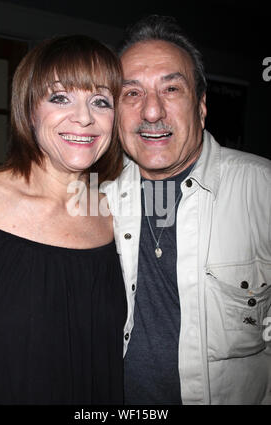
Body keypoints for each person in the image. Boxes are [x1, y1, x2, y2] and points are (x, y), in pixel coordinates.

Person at [102, 15, 271, 404]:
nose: (151, 112)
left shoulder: (260, 190)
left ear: (201, 105)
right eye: (131, 93)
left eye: (172, 89)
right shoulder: (97, 196)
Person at [0, 35, 127, 404]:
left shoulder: (119, 219)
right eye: (60, 97)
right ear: (28, 110)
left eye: (101, 101)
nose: (85, 117)